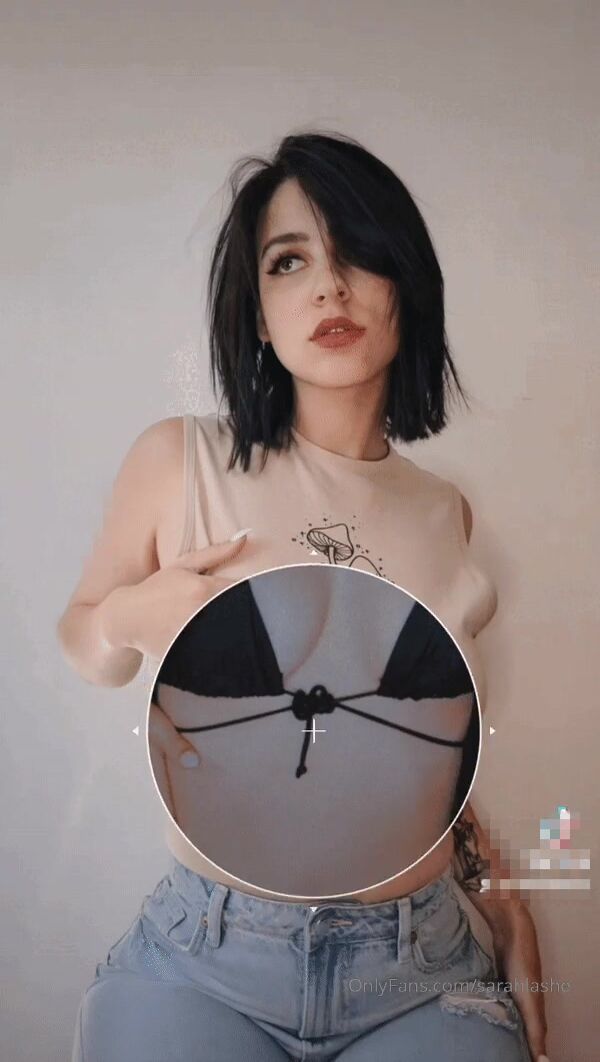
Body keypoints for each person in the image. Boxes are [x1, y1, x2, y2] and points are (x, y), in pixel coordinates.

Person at [58, 130, 548, 1061]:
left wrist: (507, 901)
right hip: (209, 958)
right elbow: (85, 640)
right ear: (258, 313)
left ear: (406, 284)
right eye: (290, 261)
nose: (329, 287)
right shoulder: (182, 460)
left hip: (421, 962)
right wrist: (130, 613)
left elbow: (428, 752)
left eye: (357, 254)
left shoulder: (445, 512)